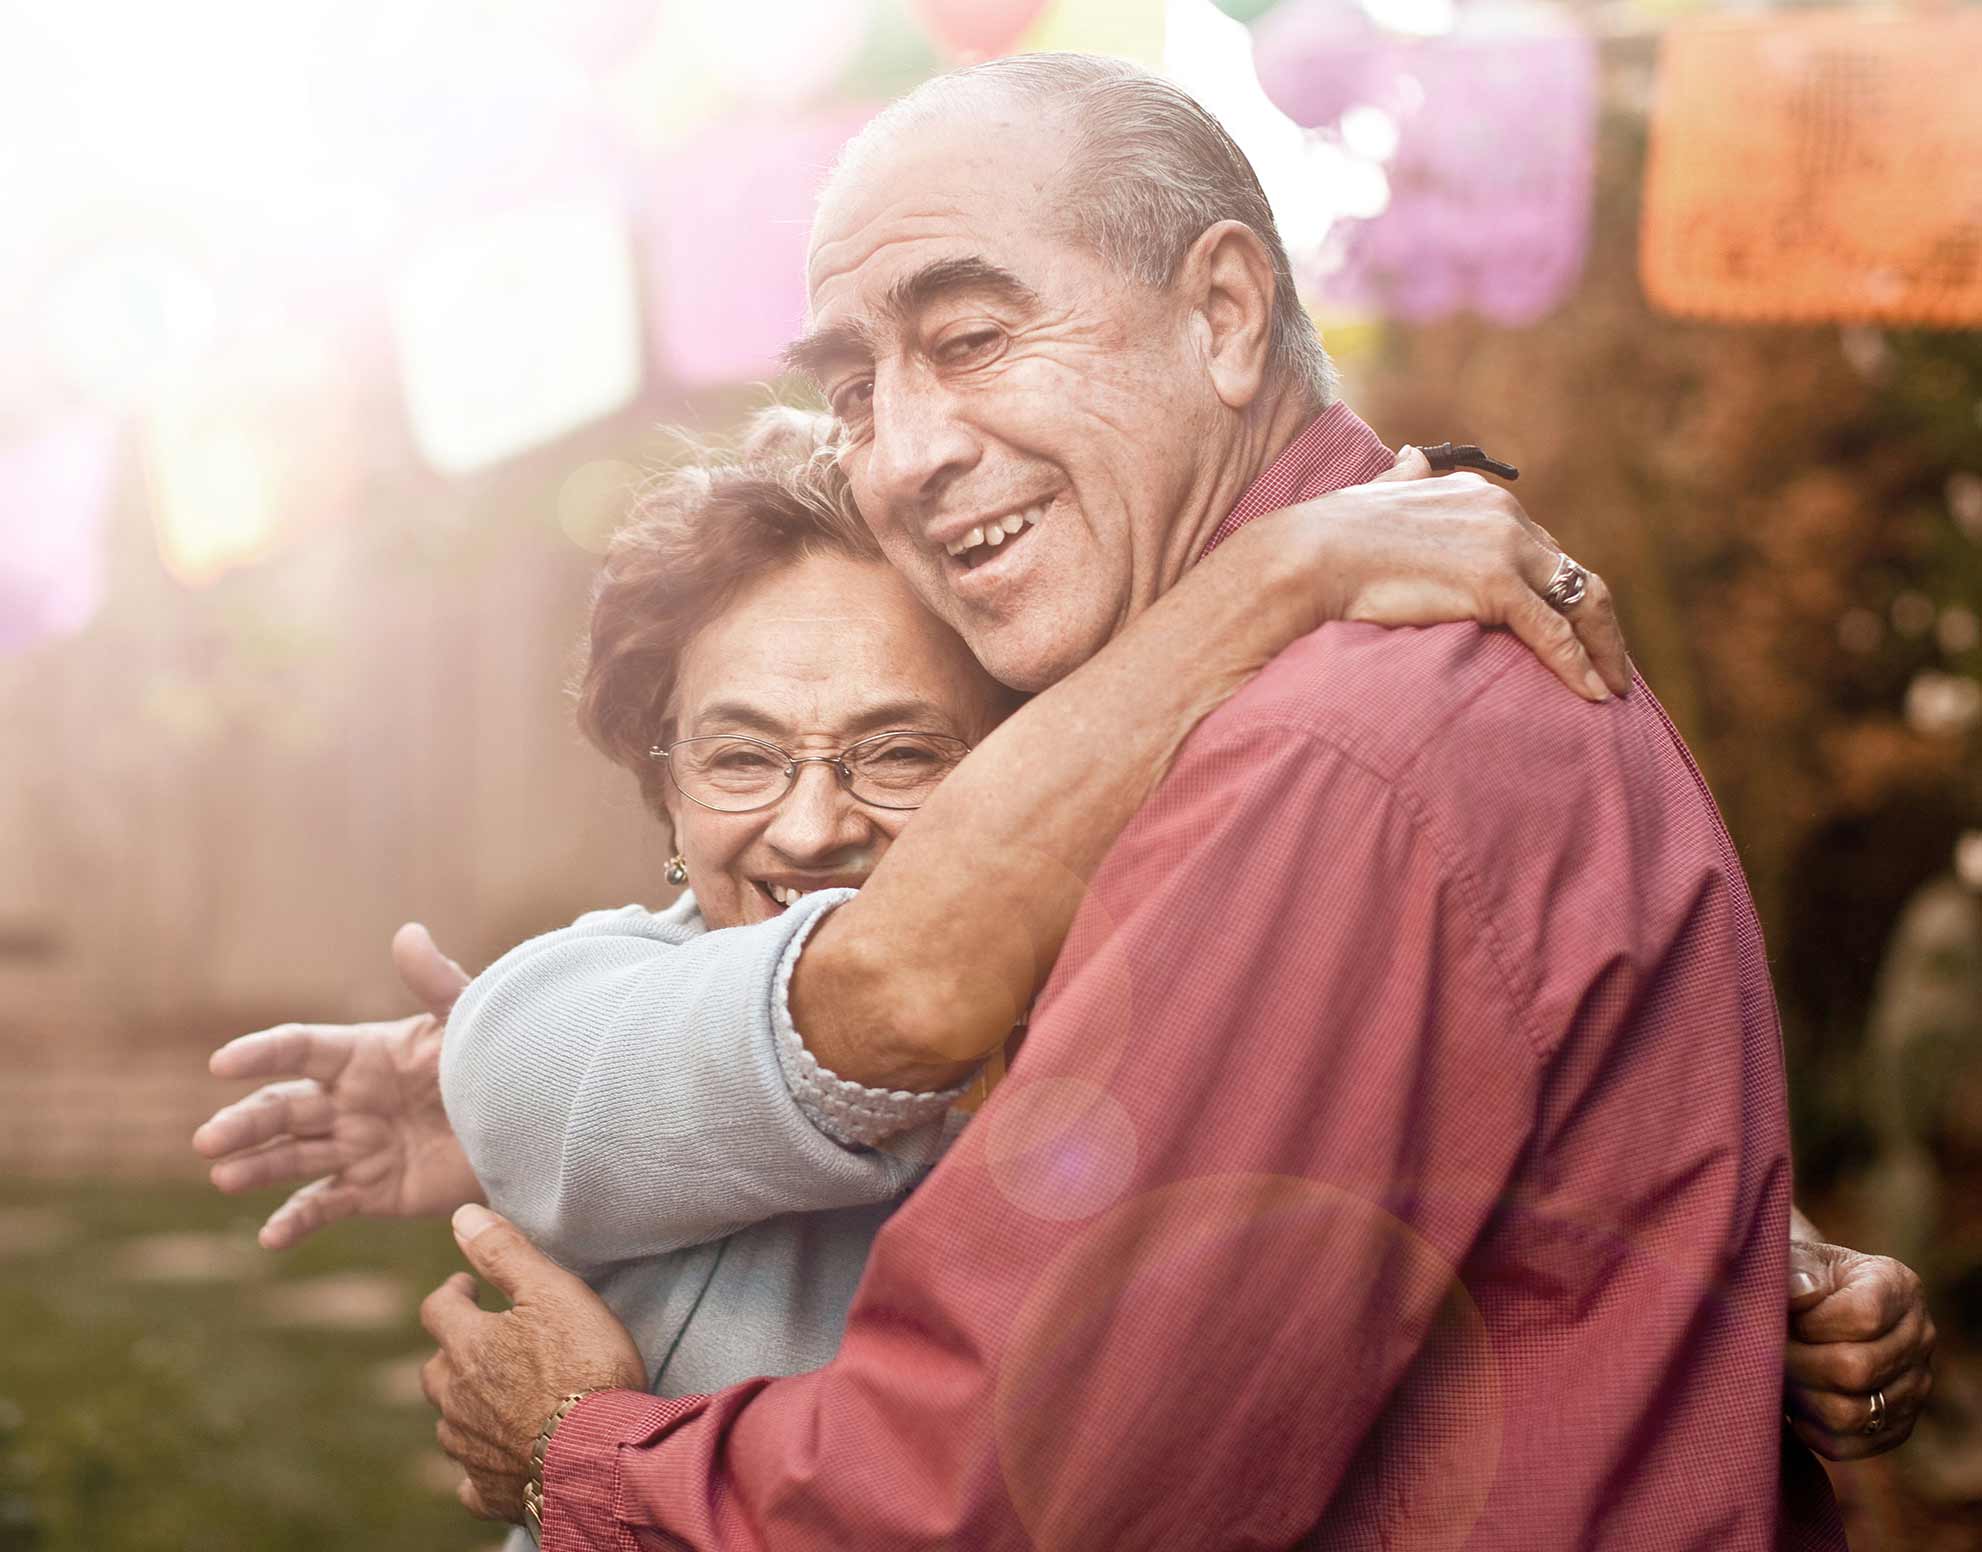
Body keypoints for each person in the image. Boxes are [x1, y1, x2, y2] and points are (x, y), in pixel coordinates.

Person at [402, 55, 1937, 1550]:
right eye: (859, 388)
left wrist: (580, 1454)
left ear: (1221, 314)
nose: (913, 450)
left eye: (974, 336)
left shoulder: (1320, 754)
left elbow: (1008, 1496)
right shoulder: (1305, 677)